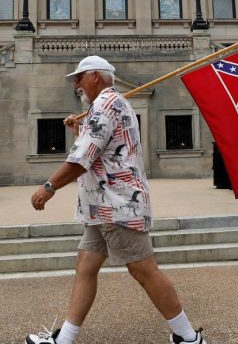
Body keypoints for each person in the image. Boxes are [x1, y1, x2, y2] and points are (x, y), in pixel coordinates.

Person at [27, 55, 207, 344]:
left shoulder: (104, 105)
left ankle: (188, 338)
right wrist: (81, 130)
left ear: (95, 76)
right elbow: (103, 148)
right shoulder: (113, 104)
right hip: (101, 208)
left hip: (116, 207)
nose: (76, 84)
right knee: (86, 268)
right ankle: (64, 340)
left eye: (79, 77)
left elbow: (82, 159)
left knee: (145, 271)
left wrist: (48, 187)